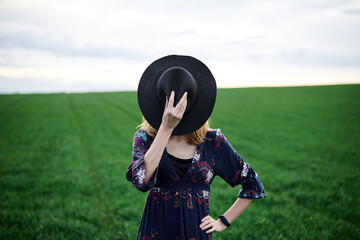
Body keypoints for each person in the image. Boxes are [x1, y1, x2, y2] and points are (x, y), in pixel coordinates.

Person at [126, 55, 265, 240]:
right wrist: (166, 128)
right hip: (154, 234)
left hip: (196, 234)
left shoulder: (212, 142)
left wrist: (223, 221)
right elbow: (140, 180)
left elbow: (252, 184)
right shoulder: (145, 138)